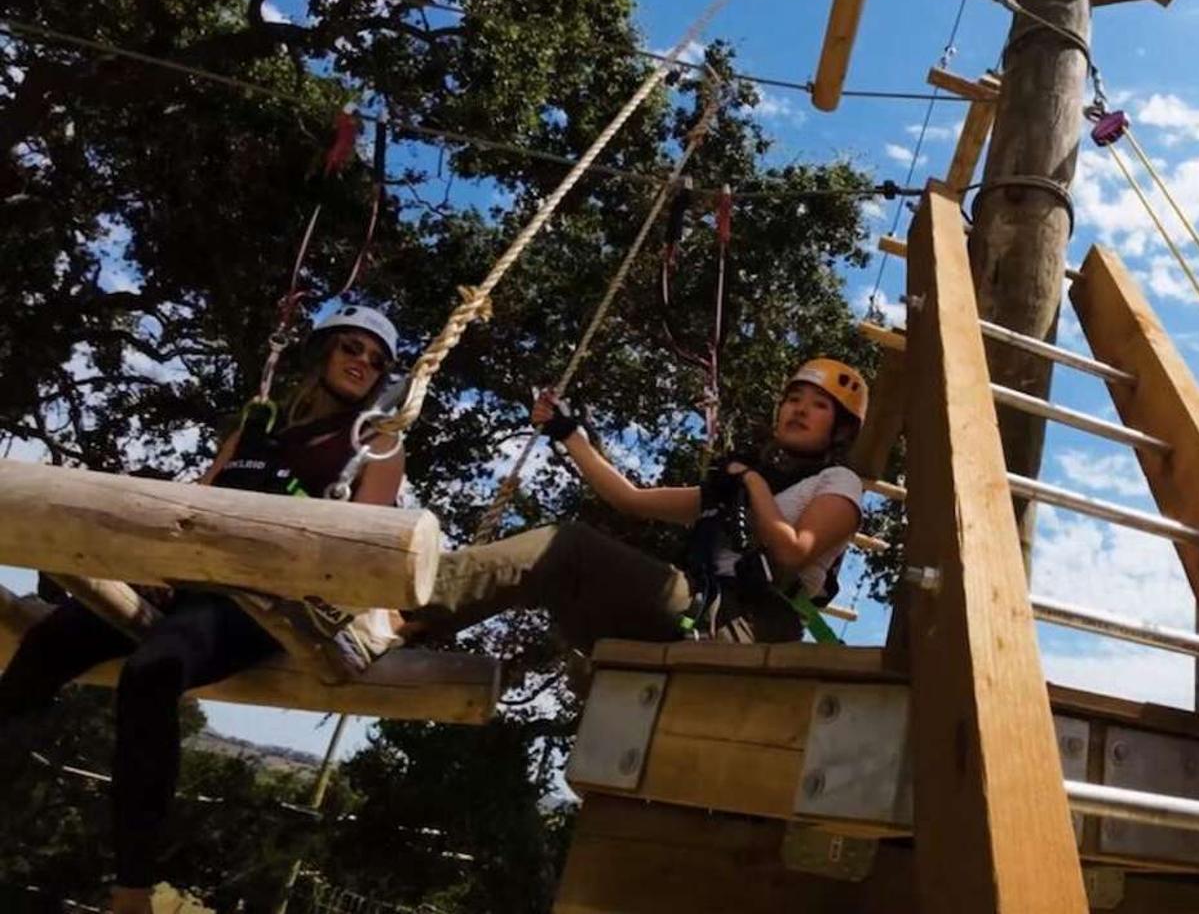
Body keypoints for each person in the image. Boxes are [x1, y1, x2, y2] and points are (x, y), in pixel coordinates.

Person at [0, 304, 409, 914]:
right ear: (321, 351)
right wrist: (152, 571)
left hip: (264, 606)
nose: (363, 364)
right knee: (52, 640)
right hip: (190, 582)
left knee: (153, 671)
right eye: (352, 348)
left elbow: (369, 549)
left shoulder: (374, 444)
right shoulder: (256, 427)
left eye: (376, 361)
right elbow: (195, 506)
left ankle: (131, 888)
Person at [400, 356, 868, 651]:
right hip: (702, 612)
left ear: (841, 429)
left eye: (818, 405)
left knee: (570, 548)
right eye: (793, 399)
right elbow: (629, 498)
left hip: (749, 625)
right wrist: (569, 436)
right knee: (564, 581)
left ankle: (402, 602)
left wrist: (753, 484)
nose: (799, 409)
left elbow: (791, 551)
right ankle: (408, 631)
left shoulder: (839, 482)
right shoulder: (740, 488)